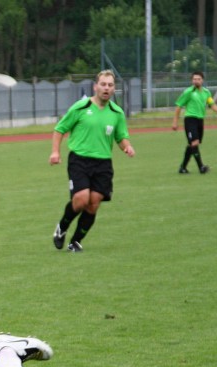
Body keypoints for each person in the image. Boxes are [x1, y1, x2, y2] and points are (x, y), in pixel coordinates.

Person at [49, 69, 135, 253]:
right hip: (79, 160)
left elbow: (121, 137)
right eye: (103, 84)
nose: (106, 88)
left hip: (103, 163)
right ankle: (62, 227)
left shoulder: (117, 112)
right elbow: (59, 129)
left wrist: (127, 147)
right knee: (81, 199)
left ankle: (75, 241)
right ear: (96, 87)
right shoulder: (81, 107)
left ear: (114, 89)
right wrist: (55, 152)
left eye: (110, 85)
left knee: (93, 203)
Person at [172, 71, 217, 174]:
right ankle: (201, 167)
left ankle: (183, 168)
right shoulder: (188, 92)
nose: (196, 81)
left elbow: (211, 103)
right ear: (192, 80)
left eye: (198, 79)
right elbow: (178, 106)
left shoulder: (206, 92)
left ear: (202, 80)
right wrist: (175, 122)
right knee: (194, 142)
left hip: (200, 120)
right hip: (190, 119)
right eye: (194, 79)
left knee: (193, 144)